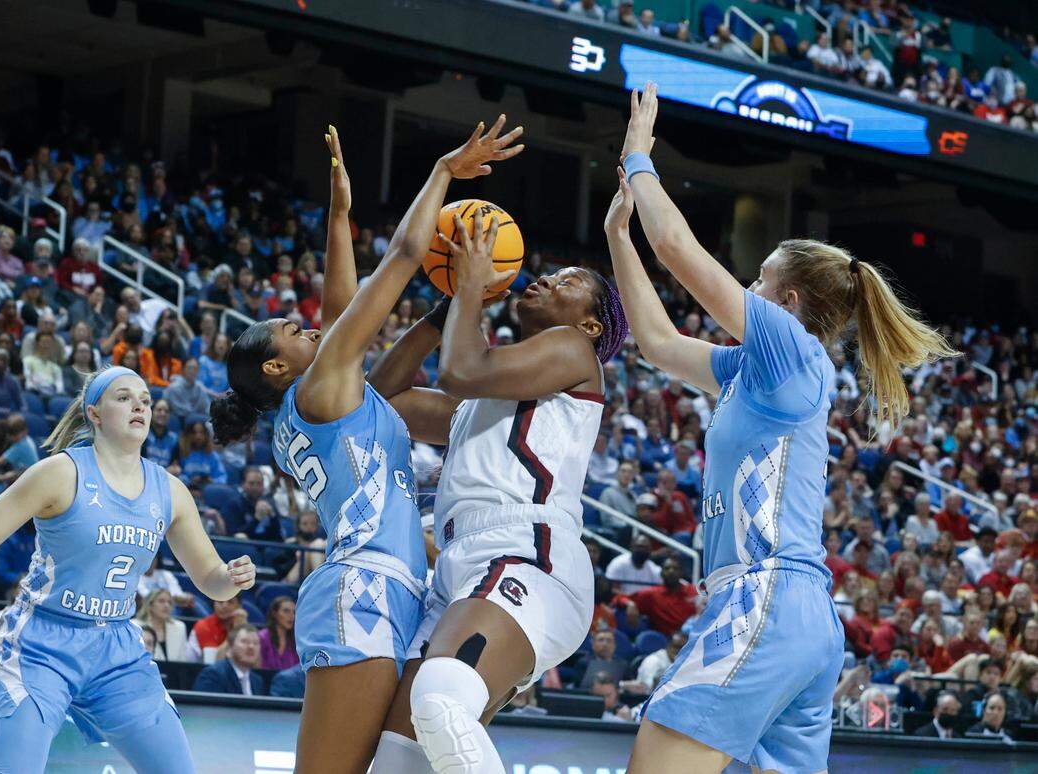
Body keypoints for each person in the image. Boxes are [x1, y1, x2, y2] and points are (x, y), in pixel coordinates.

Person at [608, 83, 955, 774]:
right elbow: (654, 340)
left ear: (788, 301)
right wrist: (619, 234)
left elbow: (677, 248)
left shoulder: (792, 349)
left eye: (760, 280)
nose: (749, 287)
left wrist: (641, 154)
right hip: (793, 612)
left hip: (762, 595)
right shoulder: (754, 372)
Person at [211, 124, 522, 774]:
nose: (314, 325)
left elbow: (341, 300)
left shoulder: (335, 394)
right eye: (294, 330)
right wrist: (442, 169)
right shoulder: (321, 391)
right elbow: (405, 255)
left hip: (398, 585)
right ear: (275, 369)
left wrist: (343, 213)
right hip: (365, 585)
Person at [365, 144, 626, 773]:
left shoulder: (572, 354)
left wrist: (471, 291)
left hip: (527, 554)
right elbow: (382, 399)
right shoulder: (482, 406)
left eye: (566, 285)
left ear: (590, 325)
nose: (541, 279)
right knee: (398, 763)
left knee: (441, 700)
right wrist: (440, 309)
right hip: (460, 568)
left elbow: (461, 368)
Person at [0, 365, 258, 773]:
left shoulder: (169, 490)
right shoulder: (60, 473)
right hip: (42, 643)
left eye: (144, 399)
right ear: (94, 413)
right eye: (124, 397)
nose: (139, 406)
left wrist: (230, 579)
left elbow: (210, 579)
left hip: (117, 648)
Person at [191, 624, 264, 695]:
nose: (251, 646)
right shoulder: (213, 675)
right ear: (229, 648)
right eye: (244, 641)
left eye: (256, 643)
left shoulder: (257, 681)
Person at [134, 588, 190, 662]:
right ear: (150, 605)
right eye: (161, 601)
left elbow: (183, 659)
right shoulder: (136, 626)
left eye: (169, 602)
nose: (166, 605)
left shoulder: (180, 627)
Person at [258, 596, 299, 671]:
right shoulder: (262, 637)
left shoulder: (294, 641)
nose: (291, 616)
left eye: (294, 612)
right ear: (275, 614)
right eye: (286, 611)